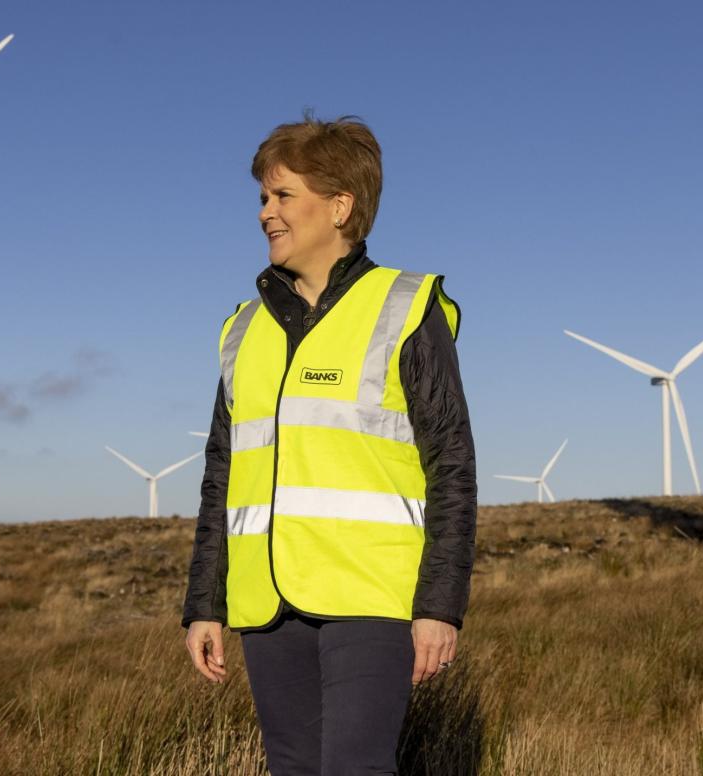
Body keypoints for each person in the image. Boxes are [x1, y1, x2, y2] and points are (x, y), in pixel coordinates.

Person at [181, 113, 477, 775]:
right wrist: (206, 605)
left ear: (340, 206)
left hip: (372, 596)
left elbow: (452, 465)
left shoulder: (405, 307)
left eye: (283, 196)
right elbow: (220, 475)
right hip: (267, 601)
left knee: (356, 767)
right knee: (291, 765)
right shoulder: (243, 329)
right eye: (262, 197)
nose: (265, 212)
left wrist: (440, 605)